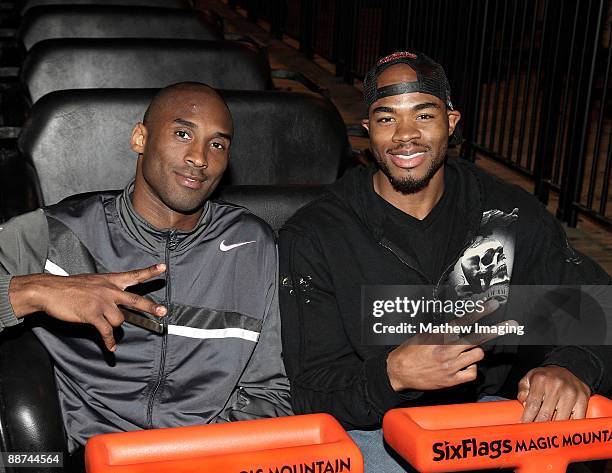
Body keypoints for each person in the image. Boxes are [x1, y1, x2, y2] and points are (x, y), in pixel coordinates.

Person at [278, 52, 611, 472]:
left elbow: (597, 306)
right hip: (373, 432)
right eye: (386, 119)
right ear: (367, 132)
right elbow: (309, 391)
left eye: (423, 115)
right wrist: (392, 375)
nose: (405, 136)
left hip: (487, 422)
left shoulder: (504, 215)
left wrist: (570, 366)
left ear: (451, 123)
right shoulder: (316, 234)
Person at [0, 82, 291, 456]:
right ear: (140, 137)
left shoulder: (252, 245)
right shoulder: (59, 234)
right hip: (87, 453)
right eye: (182, 134)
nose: (199, 158)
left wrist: (204, 456)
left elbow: (272, 388)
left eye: (217, 144)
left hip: (209, 456)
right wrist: (34, 292)